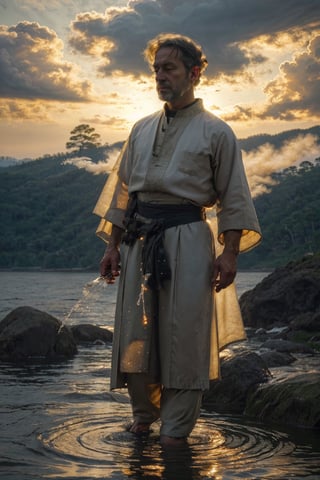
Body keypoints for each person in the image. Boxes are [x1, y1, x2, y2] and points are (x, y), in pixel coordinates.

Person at [94, 33, 261, 447]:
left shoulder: (216, 132)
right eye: (156, 69)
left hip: (188, 240)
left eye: (169, 68)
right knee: (136, 330)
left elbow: (233, 198)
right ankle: (142, 415)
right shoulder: (141, 128)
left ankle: (176, 429)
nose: (160, 77)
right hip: (137, 239)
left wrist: (230, 255)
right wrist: (113, 247)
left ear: (195, 72)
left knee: (184, 334)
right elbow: (123, 194)